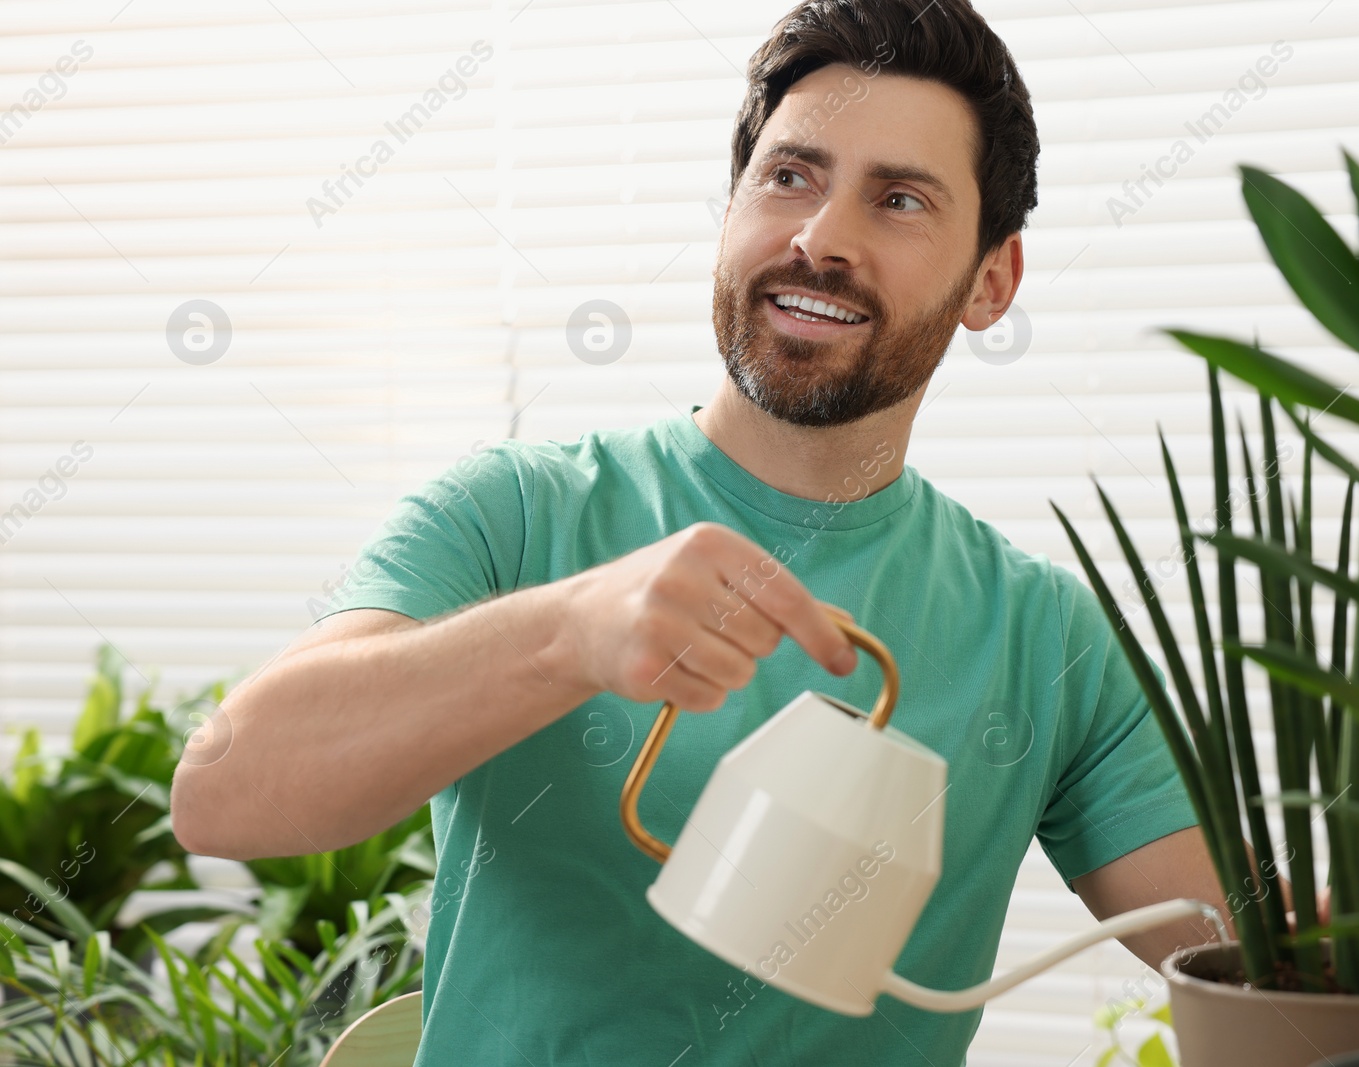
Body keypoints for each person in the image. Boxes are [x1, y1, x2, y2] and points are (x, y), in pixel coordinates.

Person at [172, 1, 1228, 1062]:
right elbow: (223, 792)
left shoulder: (1042, 633)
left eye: (898, 199)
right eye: (788, 177)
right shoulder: (517, 514)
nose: (820, 237)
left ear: (990, 281)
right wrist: (568, 634)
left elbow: (1276, 946)